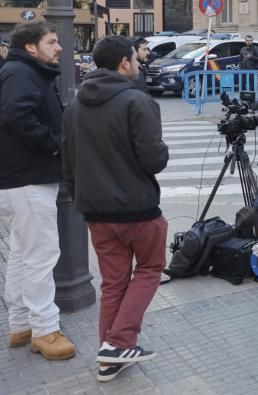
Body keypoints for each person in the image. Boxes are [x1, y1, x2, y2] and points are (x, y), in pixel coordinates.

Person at [62, 36, 168, 381]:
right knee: (150, 269)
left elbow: (68, 162)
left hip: (96, 210)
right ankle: (119, 342)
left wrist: (82, 199)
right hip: (137, 207)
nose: (139, 62)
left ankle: (109, 357)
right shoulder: (137, 101)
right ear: (125, 62)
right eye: (136, 58)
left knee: (113, 284)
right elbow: (154, 159)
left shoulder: (74, 106)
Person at [0, 21, 77, 361]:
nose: (59, 47)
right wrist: (56, 146)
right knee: (40, 256)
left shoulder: (20, 70)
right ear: (32, 46)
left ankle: (20, 324)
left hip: (20, 178)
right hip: (28, 178)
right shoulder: (21, 73)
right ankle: (46, 330)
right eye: (52, 41)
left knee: (21, 253)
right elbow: (17, 116)